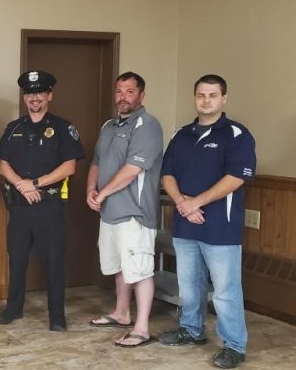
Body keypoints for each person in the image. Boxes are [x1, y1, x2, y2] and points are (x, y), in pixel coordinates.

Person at [158, 75, 255, 369]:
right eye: (201, 95)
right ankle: (191, 330)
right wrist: (181, 204)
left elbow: (236, 178)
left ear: (223, 98)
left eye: (213, 95)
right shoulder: (181, 134)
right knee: (189, 285)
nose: (206, 100)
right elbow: (167, 174)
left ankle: (234, 346)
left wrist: (195, 202)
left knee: (225, 291)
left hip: (220, 227)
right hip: (186, 224)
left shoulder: (237, 134)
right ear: (194, 98)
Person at [0, 70, 84, 331]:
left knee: (54, 262)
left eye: (39, 93)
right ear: (25, 98)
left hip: (48, 207)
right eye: (30, 93)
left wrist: (34, 184)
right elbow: (3, 165)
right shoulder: (14, 128)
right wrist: (22, 187)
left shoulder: (63, 128)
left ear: (49, 95)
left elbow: (69, 167)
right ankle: (14, 308)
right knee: (17, 259)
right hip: (20, 208)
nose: (34, 98)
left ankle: (57, 315)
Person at [86, 72, 163, 348]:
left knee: (140, 268)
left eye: (129, 91)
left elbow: (133, 169)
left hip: (136, 213)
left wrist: (103, 193)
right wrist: (91, 190)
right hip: (109, 211)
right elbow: (96, 161)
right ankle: (121, 313)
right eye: (119, 91)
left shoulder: (147, 125)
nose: (123, 97)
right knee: (120, 264)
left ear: (141, 95)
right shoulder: (109, 125)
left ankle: (141, 328)